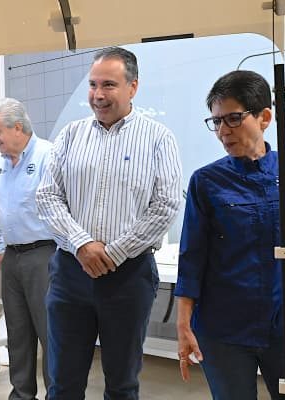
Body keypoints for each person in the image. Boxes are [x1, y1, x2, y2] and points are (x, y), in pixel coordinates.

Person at [36, 46, 184, 399]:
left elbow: (166, 205)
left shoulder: (158, 138)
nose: (98, 95)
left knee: (122, 383)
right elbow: (47, 196)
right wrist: (83, 245)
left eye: (109, 85)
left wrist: (113, 253)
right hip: (71, 273)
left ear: (133, 87)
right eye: (93, 85)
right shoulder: (70, 136)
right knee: (63, 382)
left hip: (128, 277)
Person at [175, 70, 284, 400]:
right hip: (223, 328)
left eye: (233, 118)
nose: (223, 131)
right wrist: (183, 325)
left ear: (264, 117)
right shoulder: (206, 182)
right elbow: (192, 258)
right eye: (217, 121)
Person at [0, 98, 55, 400]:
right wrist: (1, 246)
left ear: (17, 127)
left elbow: (60, 208)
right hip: (12, 257)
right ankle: (22, 395)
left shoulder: (47, 155)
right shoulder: (0, 163)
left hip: (44, 254)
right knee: (17, 333)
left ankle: (57, 394)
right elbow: (1, 210)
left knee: (50, 332)